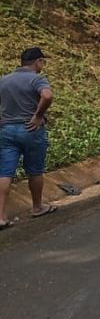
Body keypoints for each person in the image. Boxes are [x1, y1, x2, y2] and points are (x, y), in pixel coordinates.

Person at [0, 47, 56, 228]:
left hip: (7, 130)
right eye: (43, 62)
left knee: (5, 172)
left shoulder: (5, 80)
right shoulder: (36, 79)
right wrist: (39, 115)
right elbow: (47, 95)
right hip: (30, 128)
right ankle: (37, 207)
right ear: (38, 62)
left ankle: (1, 216)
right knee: (35, 170)